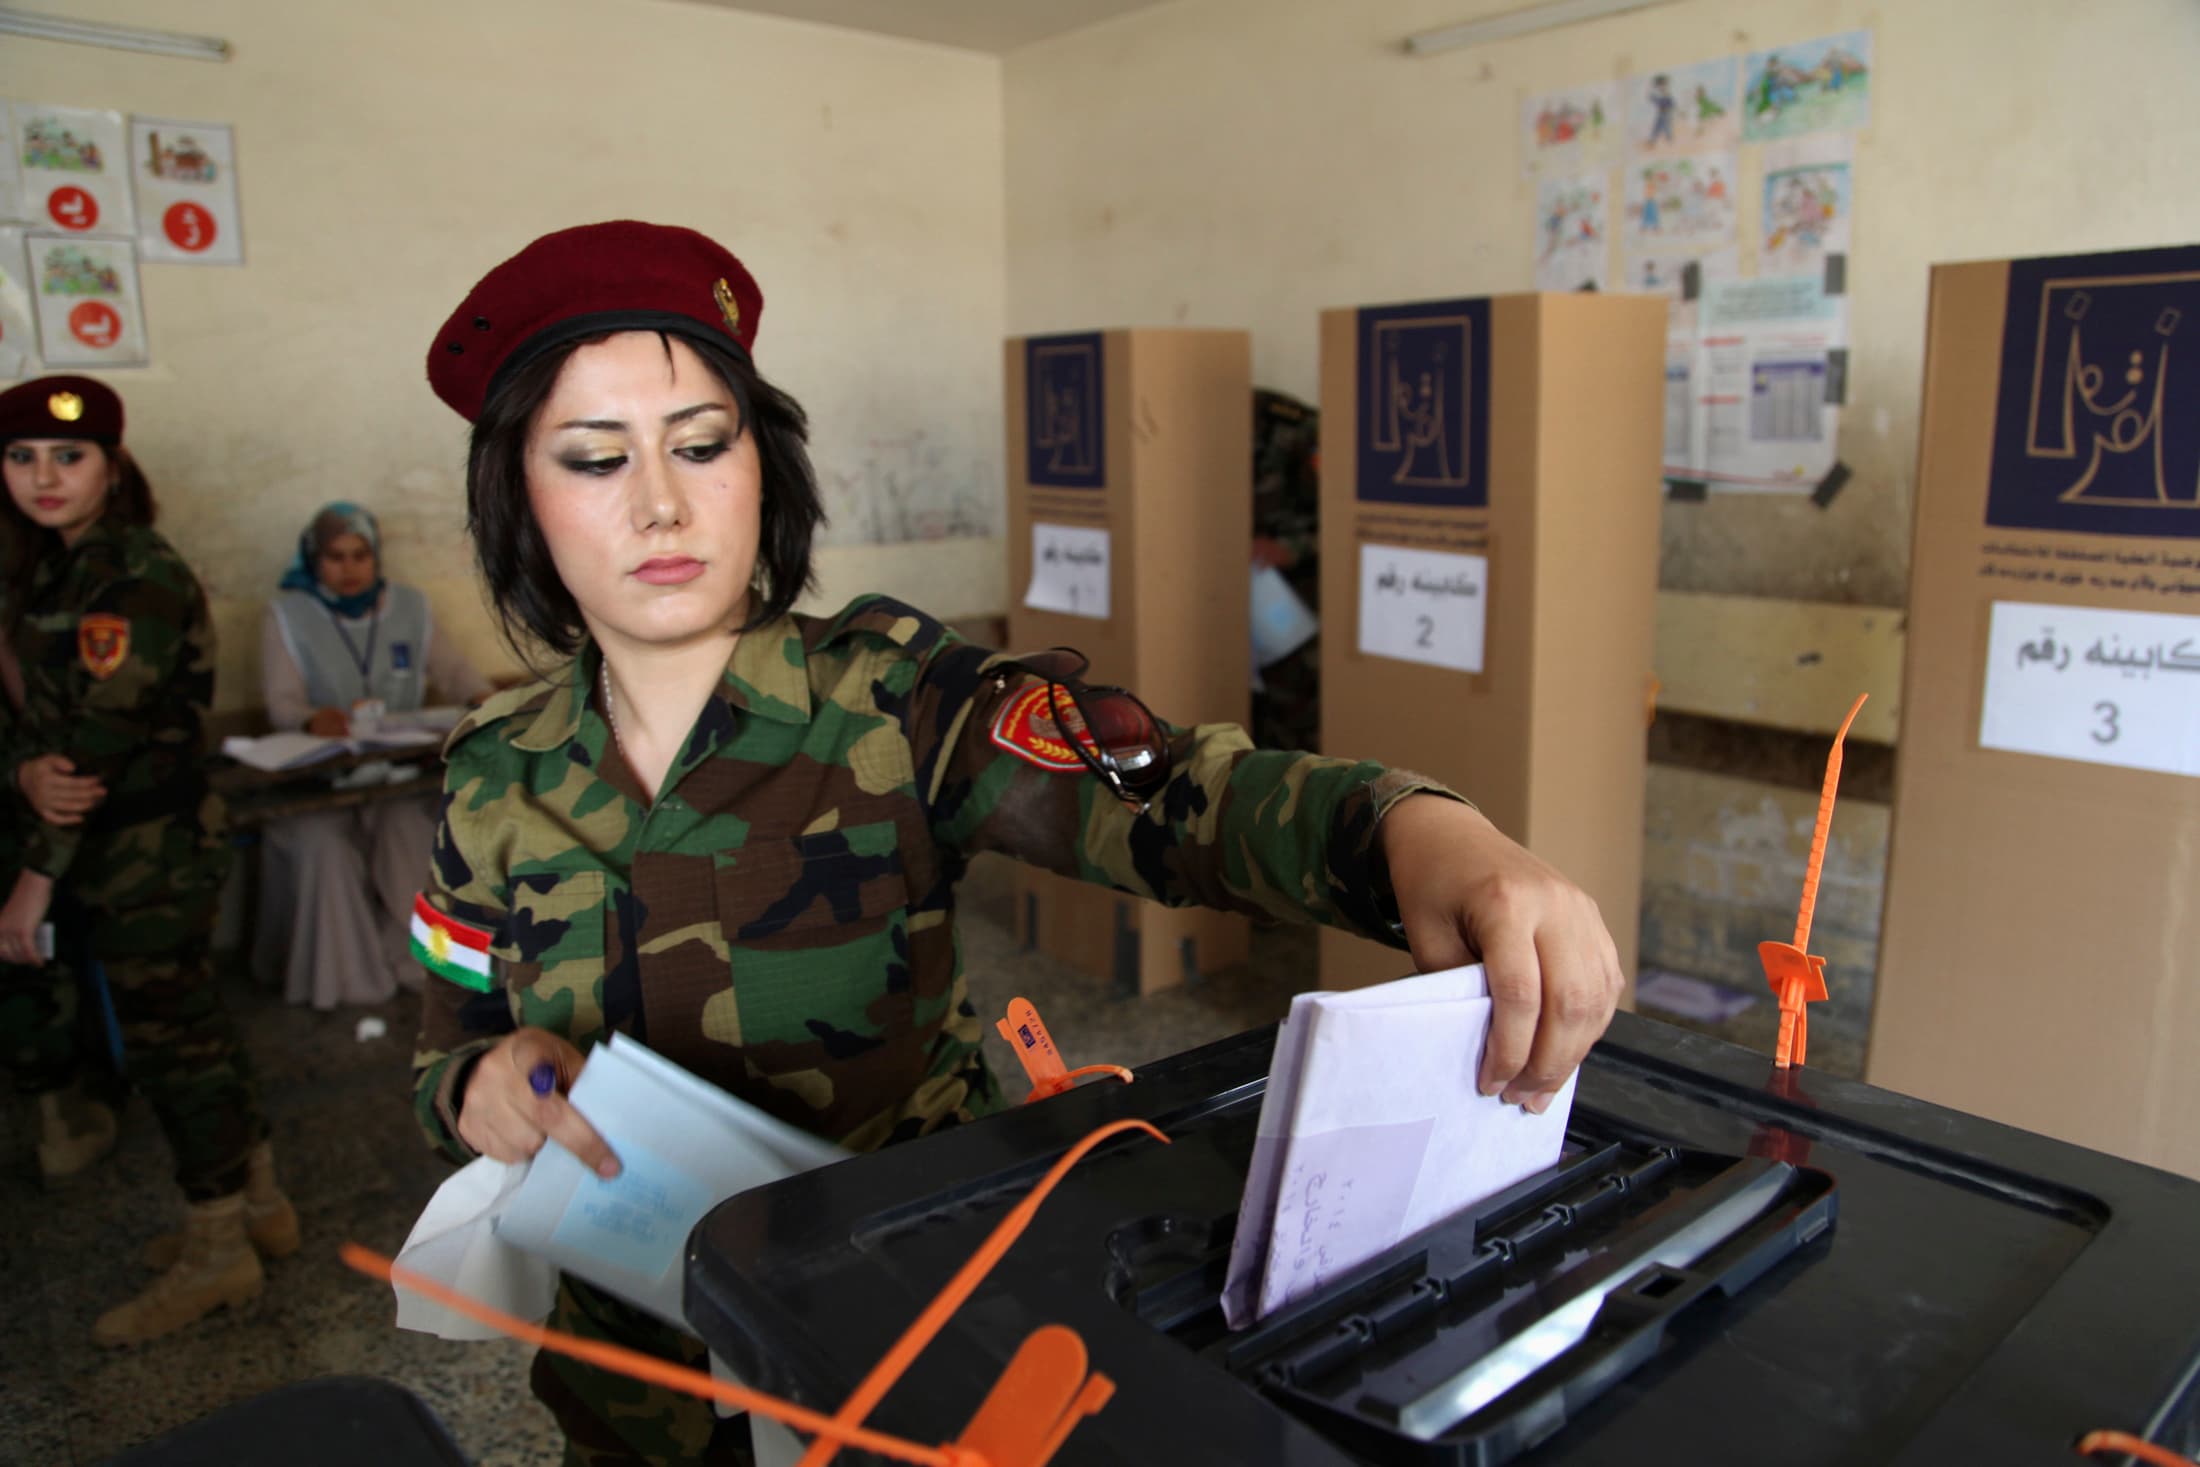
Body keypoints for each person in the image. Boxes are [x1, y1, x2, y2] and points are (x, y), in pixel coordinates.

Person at [408, 222, 1624, 1465]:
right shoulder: (493, 773)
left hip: (901, 1337)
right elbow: (450, 1017)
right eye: (594, 459)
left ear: (761, 466)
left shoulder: (890, 698)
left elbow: (1169, 796)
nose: (659, 502)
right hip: (635, 1384)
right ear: (523, 497)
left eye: (701, 445)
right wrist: (475, 1085)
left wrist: (1420, 836)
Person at [0, 376, 294, 1346]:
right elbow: (41, 730)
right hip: (117, 849)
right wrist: (24, 767)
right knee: (193, 1031)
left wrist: (32, 880)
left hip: (147, 852)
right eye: (21, 456)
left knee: (175, 1050)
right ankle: (255, 1203)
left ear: (113, 466)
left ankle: (218, 1252)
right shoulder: (52, 568)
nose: (44, 477)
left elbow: (97, 744)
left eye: (69, 456)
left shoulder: (132, 573)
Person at [253, 501, 488, 1009]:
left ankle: (435, 969)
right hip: (323, 782)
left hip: (394, 774)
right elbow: (282, 705)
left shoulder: (409, 607)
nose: (350, 569)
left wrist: (484, 700)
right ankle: (346, 984)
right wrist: (310, 719)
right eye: (335, 557)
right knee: (323, 848)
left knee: (407, 831)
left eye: (361, 555)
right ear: (314, 560)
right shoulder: (289, 615)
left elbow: (456, 674)